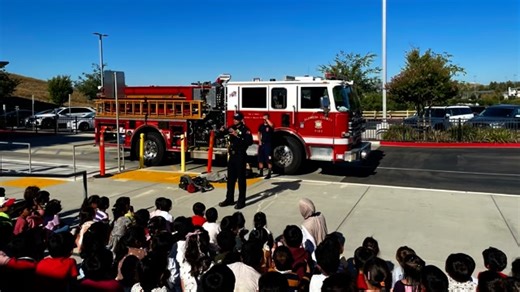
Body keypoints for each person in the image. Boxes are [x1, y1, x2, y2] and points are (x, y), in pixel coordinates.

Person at [219, 112, 253, 210]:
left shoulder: (245, 130)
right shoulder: (232, 127)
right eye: (234, 118)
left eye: (237, 119)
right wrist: (221, 131)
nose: (235, 120)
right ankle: (229, 199)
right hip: (232, 155)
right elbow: (223, 134)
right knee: (230, 179)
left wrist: (237, 134)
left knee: (241, 180)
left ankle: (241, 201)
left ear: (241, 119)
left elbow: (249, 142)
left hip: (240, 155)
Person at [257, 113, 274, 179]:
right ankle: (261, 172)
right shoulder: (261, 126)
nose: (265, 120)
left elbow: (272, 125)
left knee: (268, 159)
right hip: (262, 144)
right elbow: (258, 133)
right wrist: (259, 141)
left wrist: (267, 120)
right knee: (260, 158)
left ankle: (269, 173)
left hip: (268, 144)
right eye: (264, 119)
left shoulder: (270, 125)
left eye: (266, 118)